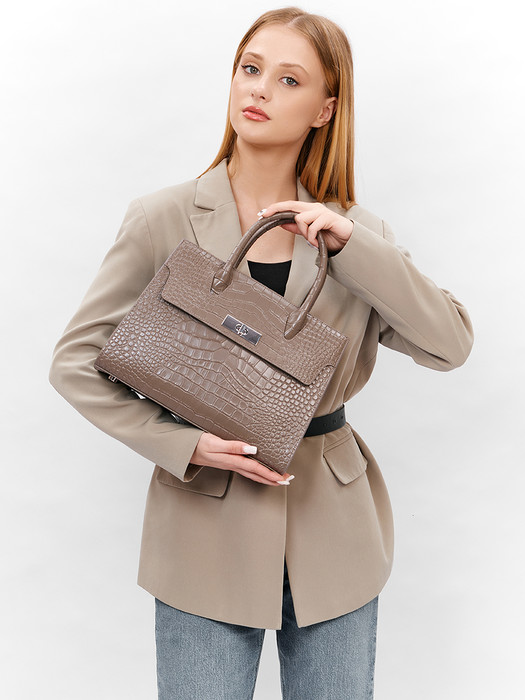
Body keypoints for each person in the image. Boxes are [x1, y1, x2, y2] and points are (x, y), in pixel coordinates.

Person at [48, 6, 474, 699]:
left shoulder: (355, 232)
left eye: (288, 79)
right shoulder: (164, 216)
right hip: (203, 522)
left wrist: (351, 246)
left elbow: (449, 345)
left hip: (333, 526)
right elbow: (76, 360)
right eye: (250, 69)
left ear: (325, 109)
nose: (259, 89)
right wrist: (182, 444)